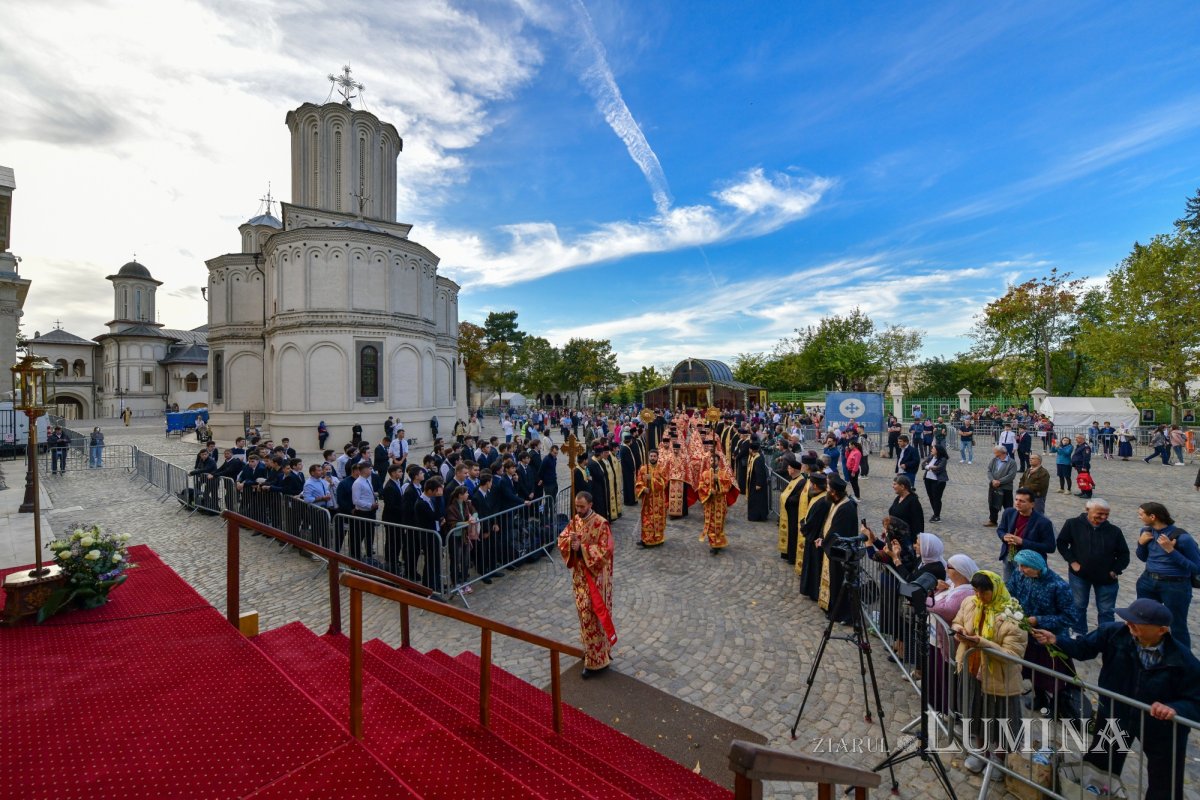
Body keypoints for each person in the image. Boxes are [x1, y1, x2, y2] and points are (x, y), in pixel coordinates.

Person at [1032, 599, 1200, 800]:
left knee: (1165, 782)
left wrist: (1175, 709)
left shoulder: (1182, 659)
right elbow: (1083, 647)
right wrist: (1057, 640)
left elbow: (1195, 700)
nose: (1128, 624)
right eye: (1128, 619)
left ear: (1161, 630)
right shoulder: (1113, 633)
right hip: (1115, 713)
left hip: (1160, 726)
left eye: (1136, 622)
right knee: (1099, 767)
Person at [952, 570, 1028, 777]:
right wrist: (960, 631)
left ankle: (999, 759)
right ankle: (981, 752)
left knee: (999, 719)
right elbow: (957, 620)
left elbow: (1013, 653)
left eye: (983, 592)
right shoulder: (970, 603)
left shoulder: (1012, 615)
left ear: (994, 590)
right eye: (975, 591)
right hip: (972, 670)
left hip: (999, 679)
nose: (978, 596)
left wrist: (981, 643)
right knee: (976, 714)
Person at [1005, 550, 1079, 718]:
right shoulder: (1020, 576)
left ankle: (1059, 705)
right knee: (1033, 670)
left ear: (1037, 567)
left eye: (1025, 566)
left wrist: (1038, 620)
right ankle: (1040, 697)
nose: (1020, 569)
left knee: (1054, 676)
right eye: (1020, 565)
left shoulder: (1058, 586)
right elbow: (1009, 594)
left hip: (1050, 639)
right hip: (1028, 635)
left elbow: (1070, 617)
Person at [558, 492, 615, 678]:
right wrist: (569, 541)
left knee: (594, 617)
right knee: (584, 616)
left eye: (582, 506)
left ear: (590, 504)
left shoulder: (601, 523)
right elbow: (562, 538)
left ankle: (596, 660)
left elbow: (606, 551)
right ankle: (591, 652)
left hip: (596, 580)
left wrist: (581, 548)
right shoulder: (575, 520)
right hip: (580, 579)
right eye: (577, 506)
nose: (579, 510)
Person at [1056, 498, 1128, 635]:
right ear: (1087, 510)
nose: (1103, 517)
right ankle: (1078, 633)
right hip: (1079, 575)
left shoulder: (1114, 531)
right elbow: (1062, 544)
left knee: (1106, 610)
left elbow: (1124, 554)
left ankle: (1106, 636)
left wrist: (1115, 570)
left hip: (1106, 577)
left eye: (1106, 514)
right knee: (1078, 606)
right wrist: (1073, 562)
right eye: (1100, 513)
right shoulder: (1072, 524)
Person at [1134, 501, 1200, 648]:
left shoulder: (1183, 538)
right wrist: (1141, 543)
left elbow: (1196, 567)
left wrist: (1171, 551)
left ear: (1152, 516)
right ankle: (1145, 653)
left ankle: (1182, 662)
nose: (1139, 517)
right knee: (1144, 621)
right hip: (1148, 582)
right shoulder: (1146, 532)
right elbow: (1142, 557)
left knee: (1177, 625)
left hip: (1175, 586)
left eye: (1141, 514)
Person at [815, 476, 859, 624]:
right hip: (832, 549)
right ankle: (831, 606)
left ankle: (840, 613)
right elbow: (828, 523)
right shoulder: (837, 502)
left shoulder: (846, 508)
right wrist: (822, 537)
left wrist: (825, 543)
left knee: (839, 582)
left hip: (840, 553)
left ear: (834, 492)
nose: (826, 490)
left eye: (828, 488)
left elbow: (838, 532)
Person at [995, 487, 1055, 581]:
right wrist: (1004, 536)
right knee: (1008, 587)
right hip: (1009, 557)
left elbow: (1050, 547)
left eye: (1022, 501)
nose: (1017, 503)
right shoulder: (1009, 513)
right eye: (1016, 499)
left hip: (1029, 564)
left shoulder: (1043, 522)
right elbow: (1000, 529)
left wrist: (1022, 542)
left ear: (1032, 504)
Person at [796, 472, 829, 600]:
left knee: (814, 567)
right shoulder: (820, 497)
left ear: (814, 485)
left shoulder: (821, 501)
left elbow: (812, 522)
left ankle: (813, 591)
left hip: (814, 537)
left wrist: (803, 524)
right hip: (814, 535)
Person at [698, 451, 735, 554]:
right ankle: (713, 544)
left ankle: (718, 542)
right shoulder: (705, 473)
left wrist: (718, 480)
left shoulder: (724, 473)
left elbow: (728, 486)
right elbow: (700, 486)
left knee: (718, 524)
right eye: (711, 460)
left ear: (719, 461)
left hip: (720, 503)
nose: (712, 461)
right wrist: (709, 491)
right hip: (709, 503)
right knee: (710, 524)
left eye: (715, 460)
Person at [634, 448, 668, 548]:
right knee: (647, 520)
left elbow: (664, 483)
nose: (653, 458)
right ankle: (646, 539)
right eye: (651, 456)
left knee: (657, 520)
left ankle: (658, 539)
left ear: (657, 457)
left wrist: (651, 480)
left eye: (654, 456)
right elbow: (638, 482)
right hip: (647, 500)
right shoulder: (643, 469)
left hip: (659, 500)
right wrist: (643, 489)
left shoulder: (661, 469)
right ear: (648, 457)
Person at [776, 454, 807, 562]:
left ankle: (792, 556)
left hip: (794, 514)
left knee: (793, 535)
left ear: (793, 470)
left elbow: (798, 497)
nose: (787, 470)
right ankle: (787, 553)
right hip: (788, 512)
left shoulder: (801, 481)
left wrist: (787, 499)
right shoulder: (794, 479)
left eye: (789, 468)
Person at [984, 445, 1017, 527]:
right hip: (993, 486)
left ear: (1001, 452)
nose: (994, 453)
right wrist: (993, 480)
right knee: (992, 504)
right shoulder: (994, 460)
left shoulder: (1011, 462)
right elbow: (989, 471)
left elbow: (1011, 475)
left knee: (1008, 505)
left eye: (995, 451)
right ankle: (993, 520)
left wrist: (999, 481)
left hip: (1006, 487)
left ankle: (1011, 522)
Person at [921, 444, 949, 522]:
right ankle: (935, 513)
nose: (931, 450)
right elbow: (923, 464)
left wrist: (929, 466)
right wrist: (929, 466)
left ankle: (937, 516)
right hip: (928, 479)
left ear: (937, 451)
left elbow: (939, 468)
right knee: (931, 497)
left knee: (937, 498)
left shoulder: (943, 459)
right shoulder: (931, 457)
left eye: (933, 449)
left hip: (938, 481)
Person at [744, 441, 769, 522]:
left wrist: (758, 484)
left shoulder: (758, 459)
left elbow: (760, 472)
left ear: (751, 450)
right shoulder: (755, 456)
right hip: (753, 481)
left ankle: (757, 516)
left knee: (757, 501)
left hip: (757, 483)